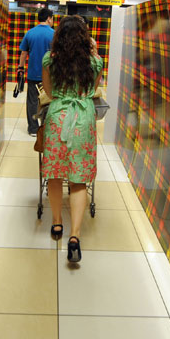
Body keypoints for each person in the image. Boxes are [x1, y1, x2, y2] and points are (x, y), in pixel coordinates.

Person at [41, 16, 104, 263]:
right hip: (84, 120)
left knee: (55, 174)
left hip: (58, 118)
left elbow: (48, 91)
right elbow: (93, 89)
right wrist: (95, 52)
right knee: (78, 179)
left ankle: (57, 223)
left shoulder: (49, 60)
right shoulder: (95, 62)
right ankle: (75, 236)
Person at [18, 8, 55, 136]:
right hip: (50, 75)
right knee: (49, 100)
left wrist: (20, 68)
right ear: (49, 18)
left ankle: (33, 129)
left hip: (33, 73)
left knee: (32, 101)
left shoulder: (30, 33)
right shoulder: (54, 34)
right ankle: (45, 127)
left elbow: (23, 53)